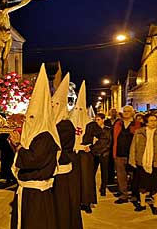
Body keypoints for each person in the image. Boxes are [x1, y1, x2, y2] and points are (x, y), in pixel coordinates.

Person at [9, 64, 61, 229]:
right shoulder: (35, 134)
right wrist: (15, 145)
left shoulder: (45, 137)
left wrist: (18, 145)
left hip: (37, 195)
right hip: (28, 192)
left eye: (32, 117)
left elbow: (32, 160)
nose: (29, 121)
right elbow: (22, 156)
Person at [52, 73, 83, 229]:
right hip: (60, 170)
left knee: (63, 205)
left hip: (62, 172)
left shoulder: (63, 126)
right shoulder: (59, 124)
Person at [70, 81, 98, 214]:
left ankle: (86, 202)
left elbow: (104, 137)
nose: (79, 112)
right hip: (73, 154)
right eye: (77, 109)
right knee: (74, 180)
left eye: (81, 109)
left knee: (86, 179)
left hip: (86, 156)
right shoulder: (69, 123)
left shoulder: (91, 124)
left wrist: (92, 148)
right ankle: (75, 201)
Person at [129, 114, 157, 215]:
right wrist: (132, 160)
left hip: (155, 162)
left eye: (155, 120)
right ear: (146, 122)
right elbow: (133, 146)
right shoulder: (139, 132)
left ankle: (155, 206)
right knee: (142, 185)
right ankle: (143, 204)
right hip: (142, 161)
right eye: (151, 120)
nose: (154, 122)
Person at [113, 105, 141, 204]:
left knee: (134, 176)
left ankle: (134, 195)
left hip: (133, 155)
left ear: (133, 113)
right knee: (121, 176)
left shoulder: (138, 124)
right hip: (119, 154)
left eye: (128, 111)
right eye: (124, 111)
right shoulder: (118, 124)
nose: (126, 112)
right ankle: (123, 195)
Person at [90, 113, 112, 196]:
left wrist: (104, 151)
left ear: (103, 120)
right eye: (96, 120)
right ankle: (92, 188)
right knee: (92, 172)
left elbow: (109, 142)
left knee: (104, 172)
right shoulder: (93, 130)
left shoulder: (108, 130)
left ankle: (103, 188)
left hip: (104, 154)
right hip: (95, 153)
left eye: (98, 119)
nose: (97, 121)